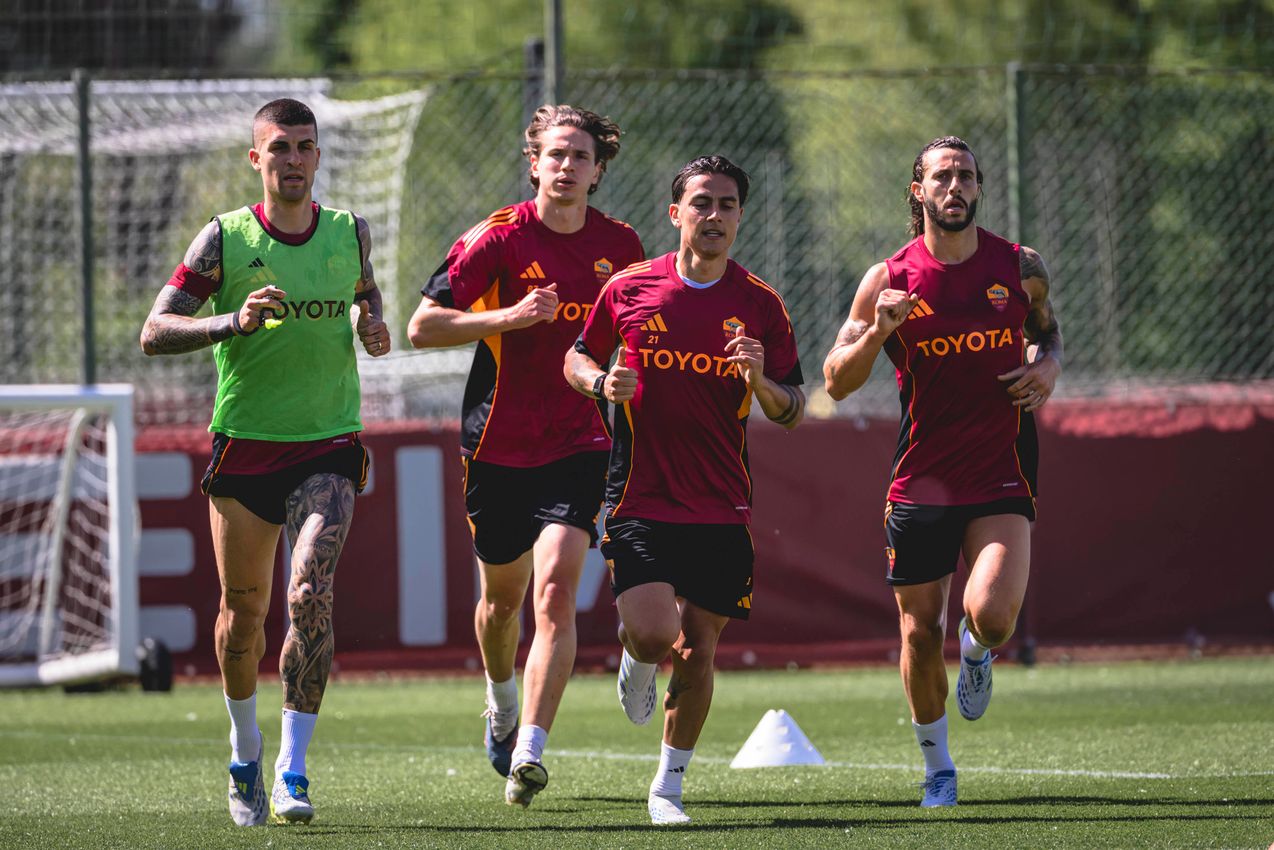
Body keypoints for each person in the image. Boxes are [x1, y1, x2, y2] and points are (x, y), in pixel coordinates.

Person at [139, 98, 390, 826]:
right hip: (247, 445)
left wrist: (370, 325)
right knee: (243, 613)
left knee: (310, 592)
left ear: (318, 156)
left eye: (305, 147)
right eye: (278, 148)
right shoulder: (225, 238)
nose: (293, 160)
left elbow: (365, 297)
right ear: (257, 158)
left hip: (329, 443)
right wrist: (234, 320)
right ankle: (244, 749)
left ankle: (293, 769)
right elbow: (154, 331)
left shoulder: (350, 232)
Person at [407, 104, 644, 808]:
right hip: (497, 447)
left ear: (599, 171)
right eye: (556, 154)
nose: (567, 167)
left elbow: (637, 334)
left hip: (581, 441)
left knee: (554, 593)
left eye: (581, 157)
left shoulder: (622, 245)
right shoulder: (499, 239)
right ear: (533, 161)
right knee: (500, 605)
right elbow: (421, 326)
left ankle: (531, 751)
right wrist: (504, 318)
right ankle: (501, 700)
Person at [822, 136, 1063, 807]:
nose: (955, 188)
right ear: (917, 190)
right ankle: (938, 769)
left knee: (992, 614)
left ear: (979, 188)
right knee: (919, 634)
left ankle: (979, 649)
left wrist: (1047, 364)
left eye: (966, 177)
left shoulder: (1019, 265)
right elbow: (835, 382)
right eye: (941, 177)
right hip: (921, 476)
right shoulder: (888, 277)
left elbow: (1047, 328)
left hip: (1002, 467)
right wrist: (876, 331)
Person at [565, 155, 805, 825]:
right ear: (676, 214)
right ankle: (637, 661)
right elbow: (576, 355)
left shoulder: (760, 305)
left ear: (740, 217)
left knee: (700, 650)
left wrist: (759, 382)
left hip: (722, 507)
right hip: (639, 498)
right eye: (702, 203)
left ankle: (666, 789)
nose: (715, 216)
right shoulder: (631, 289)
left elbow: (794, 408)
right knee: (651, 633)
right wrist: (598, 383)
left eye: (727, 205)